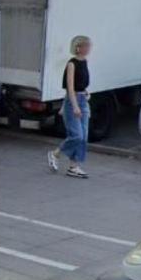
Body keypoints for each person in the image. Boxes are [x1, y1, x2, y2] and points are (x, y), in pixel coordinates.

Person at [48, 35, 92, 178]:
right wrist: (75, 106)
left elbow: (82, 83)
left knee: (83, 136)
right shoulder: (71, 64)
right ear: (78, 47)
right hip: (72, 101)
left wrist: (86, 92)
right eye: (85, 46)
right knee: (76, 135)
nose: (88, 49)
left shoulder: (85, 62)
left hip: (83, 100)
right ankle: (55, 154)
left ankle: (74, 167)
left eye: (89, 46)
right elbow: (70, 87)